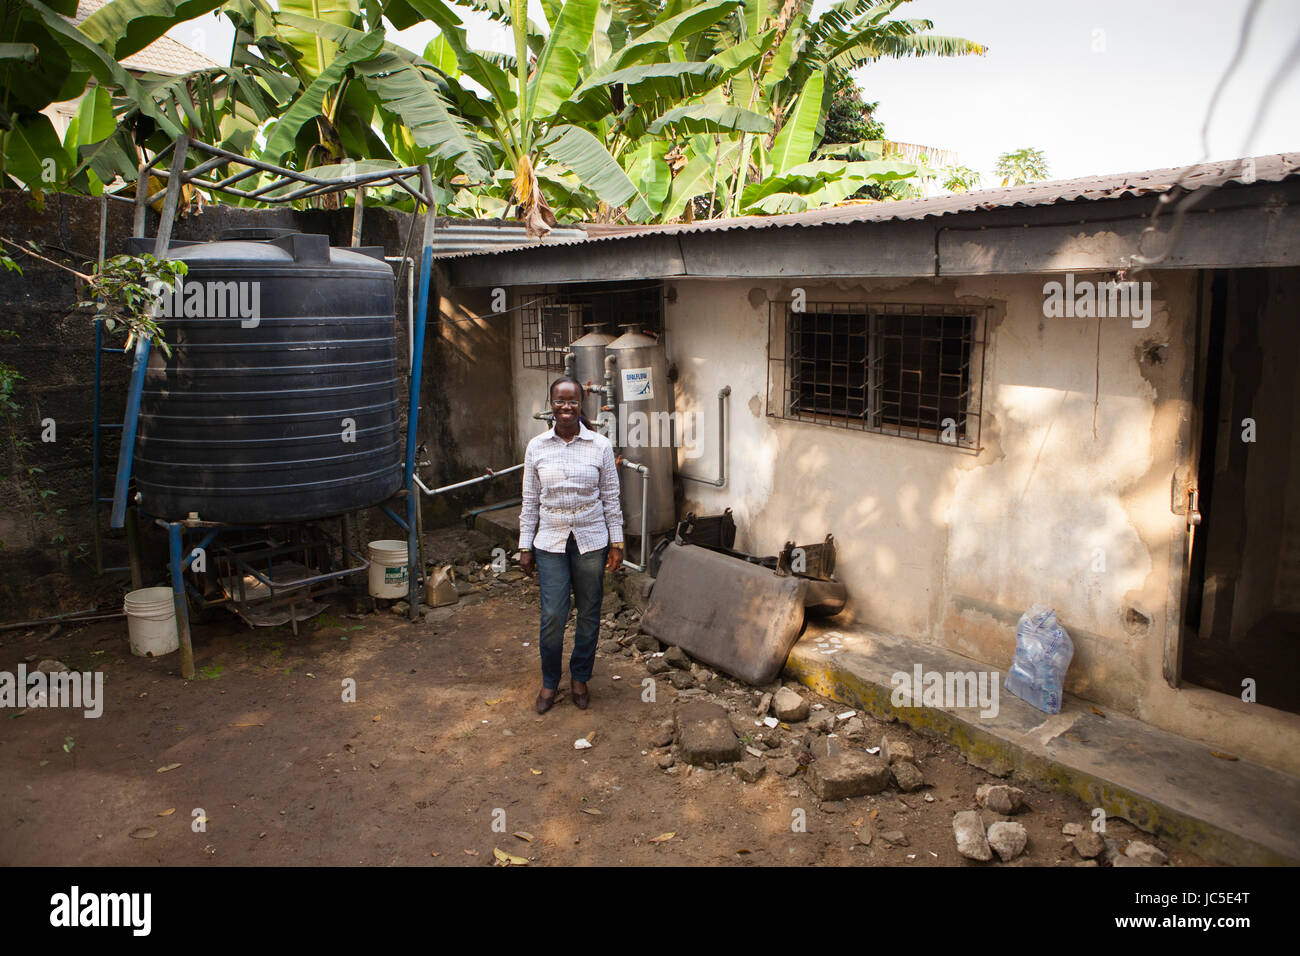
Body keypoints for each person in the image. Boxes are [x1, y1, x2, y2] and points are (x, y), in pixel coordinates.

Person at [518, 377, 624, 713]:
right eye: (560, 401)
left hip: (591, 539)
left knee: (589, 611)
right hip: (549, 540)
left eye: (573, 401)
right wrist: (524, 546)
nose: (567, 407)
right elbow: (530, 500)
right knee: (553, 614)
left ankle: (580, 677)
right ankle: (550, 682)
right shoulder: (537, 447)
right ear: (551, 404)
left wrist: (616, 541)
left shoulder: (600, 446)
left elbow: (611, 497)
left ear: (582, 404)